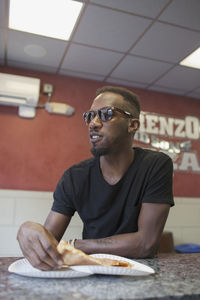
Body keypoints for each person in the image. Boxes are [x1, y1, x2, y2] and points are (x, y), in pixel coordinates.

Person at [17, 86, 174, 270]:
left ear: (132, 125)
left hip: (140, 271)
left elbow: (146, 243)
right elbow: (48, 244)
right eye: (90, 116)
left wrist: (80, 245)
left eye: (106, 114)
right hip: (91, 271)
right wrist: (28, 230)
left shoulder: (155, 165)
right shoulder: (74, 177)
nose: (93, 123)